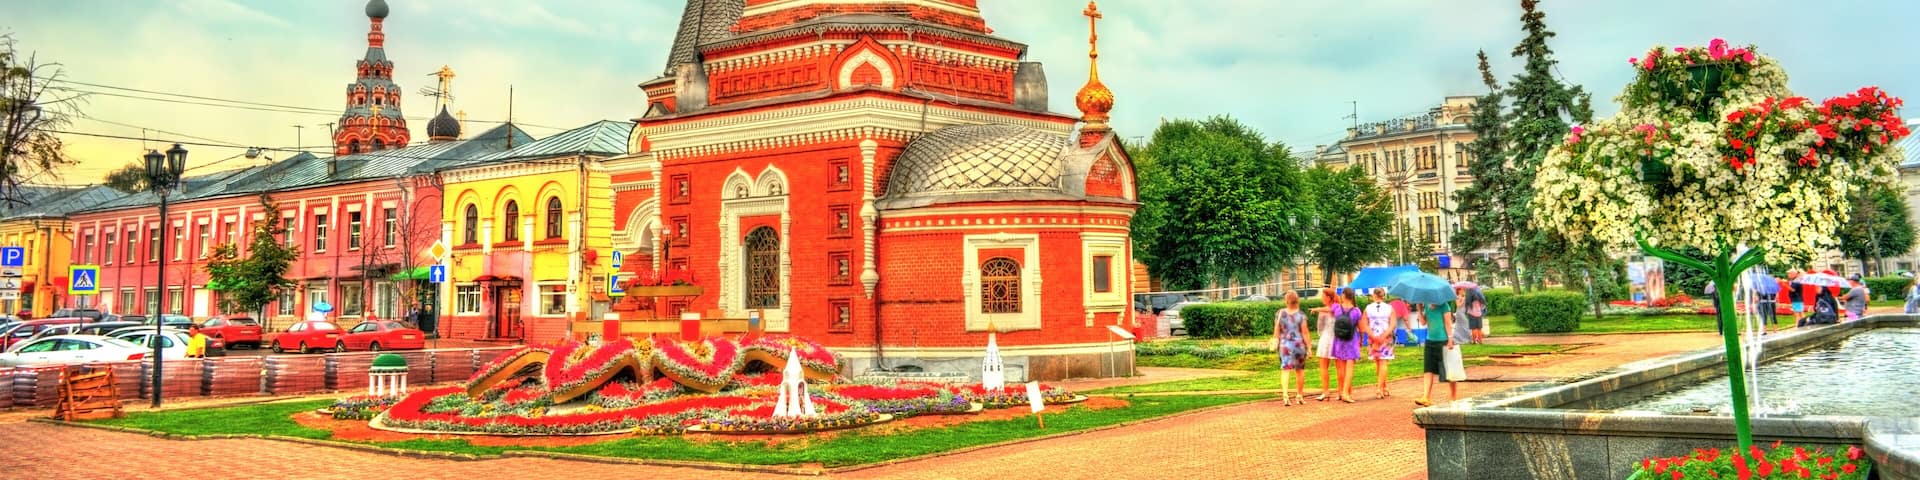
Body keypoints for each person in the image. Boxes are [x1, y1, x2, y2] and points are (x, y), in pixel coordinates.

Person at [1416, 297, 1458, 407]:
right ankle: (1426, 397)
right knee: (1428, 369)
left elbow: (1448, 324)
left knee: (1448, 371)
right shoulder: (1426, 303)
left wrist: (1450, 339)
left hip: (1443, 341)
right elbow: (1423, 322)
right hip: (1430, 341)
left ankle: (1453, 396)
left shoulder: (1444, 306)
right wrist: (1419, 309)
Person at [1271, 291, 1311, 406]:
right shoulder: (1301, 315)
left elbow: (1276, 330)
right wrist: (1309, 348)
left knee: (1285, 370)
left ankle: (1285, 395)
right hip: (1299, 345)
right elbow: (1305, 333)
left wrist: (1276, 341)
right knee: (1300, 371)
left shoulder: (1280, 313)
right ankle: (1299, 395)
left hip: (1285, 346)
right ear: (1297, 301)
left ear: (1286, 301)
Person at [1327, 289, 1364, 403]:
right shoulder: (1356, 311)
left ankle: (1342, 391)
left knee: (1341, 368)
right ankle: (1346, 393)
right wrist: (1361, 339)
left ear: (1343, 295)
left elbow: (1329, 311)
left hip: (1339, 340)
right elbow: (1361, 328)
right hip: (1351, 340)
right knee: (1349, 369)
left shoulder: (1337, 308)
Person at [1364, 288, 1397, 399]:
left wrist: (1373, 337)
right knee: (1383, 362)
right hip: (1386, 337)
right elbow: (1392, 324)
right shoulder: (1390, 308)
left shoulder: (1368, 308)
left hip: (1373, 337)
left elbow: (1365, 324)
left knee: (1378, 362)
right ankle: (1382, 387)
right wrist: (1384, 335)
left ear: (1374, 295)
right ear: (1383, 296)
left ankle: (1380, 388)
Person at [1309, 288, 1340, 401]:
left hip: (1326, 339)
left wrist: (1316, 309)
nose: (1321, 299)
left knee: (1324, 367)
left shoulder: (1326, 310)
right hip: (1336, 339)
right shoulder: (1338, 308)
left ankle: (1326, 391)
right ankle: (1340, 391)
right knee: (1338, 367)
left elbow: (1320, 329)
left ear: (1328, 297)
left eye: (1323, 296)